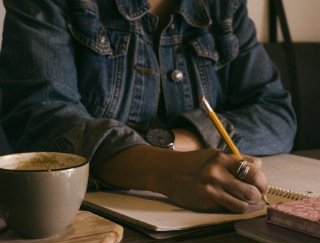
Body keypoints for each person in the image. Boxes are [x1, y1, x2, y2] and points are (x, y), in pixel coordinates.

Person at [0, 0, 296, 213]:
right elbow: (41, 118)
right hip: (80, 228)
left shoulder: (224, 8)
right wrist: (163, 171)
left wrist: (173, 143)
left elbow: (276, 115)